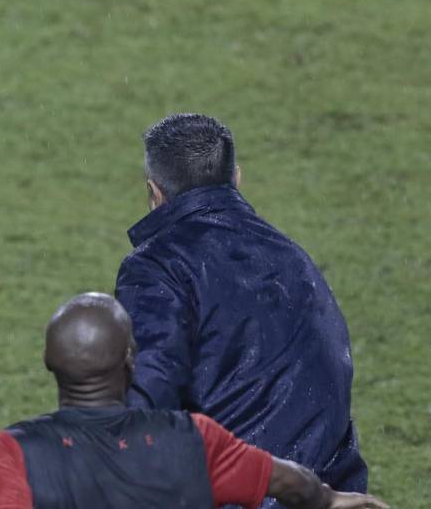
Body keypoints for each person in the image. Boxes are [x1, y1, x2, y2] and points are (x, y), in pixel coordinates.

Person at [114, 113, 368, 504]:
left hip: (240, 493)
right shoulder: (292, 257)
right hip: (328, 489)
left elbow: (149, 401)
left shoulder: (155, 267)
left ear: (154, 193)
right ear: (236, 179)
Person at [0, 293, 388, 509]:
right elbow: (291, 482)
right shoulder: (195, 440)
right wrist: (330, 499)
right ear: (130, 362)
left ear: (48, 361)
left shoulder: (6, 453)